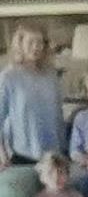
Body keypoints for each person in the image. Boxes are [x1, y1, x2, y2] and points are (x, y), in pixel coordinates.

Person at [0, 29, 61, 171]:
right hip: (22, 154)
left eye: (39, 42)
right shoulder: (8, 77)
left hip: (53, 155)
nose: (36, 47)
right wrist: (1, 154)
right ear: (20, 45)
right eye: (31, 42)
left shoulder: (51, 75)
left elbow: (58, 115)